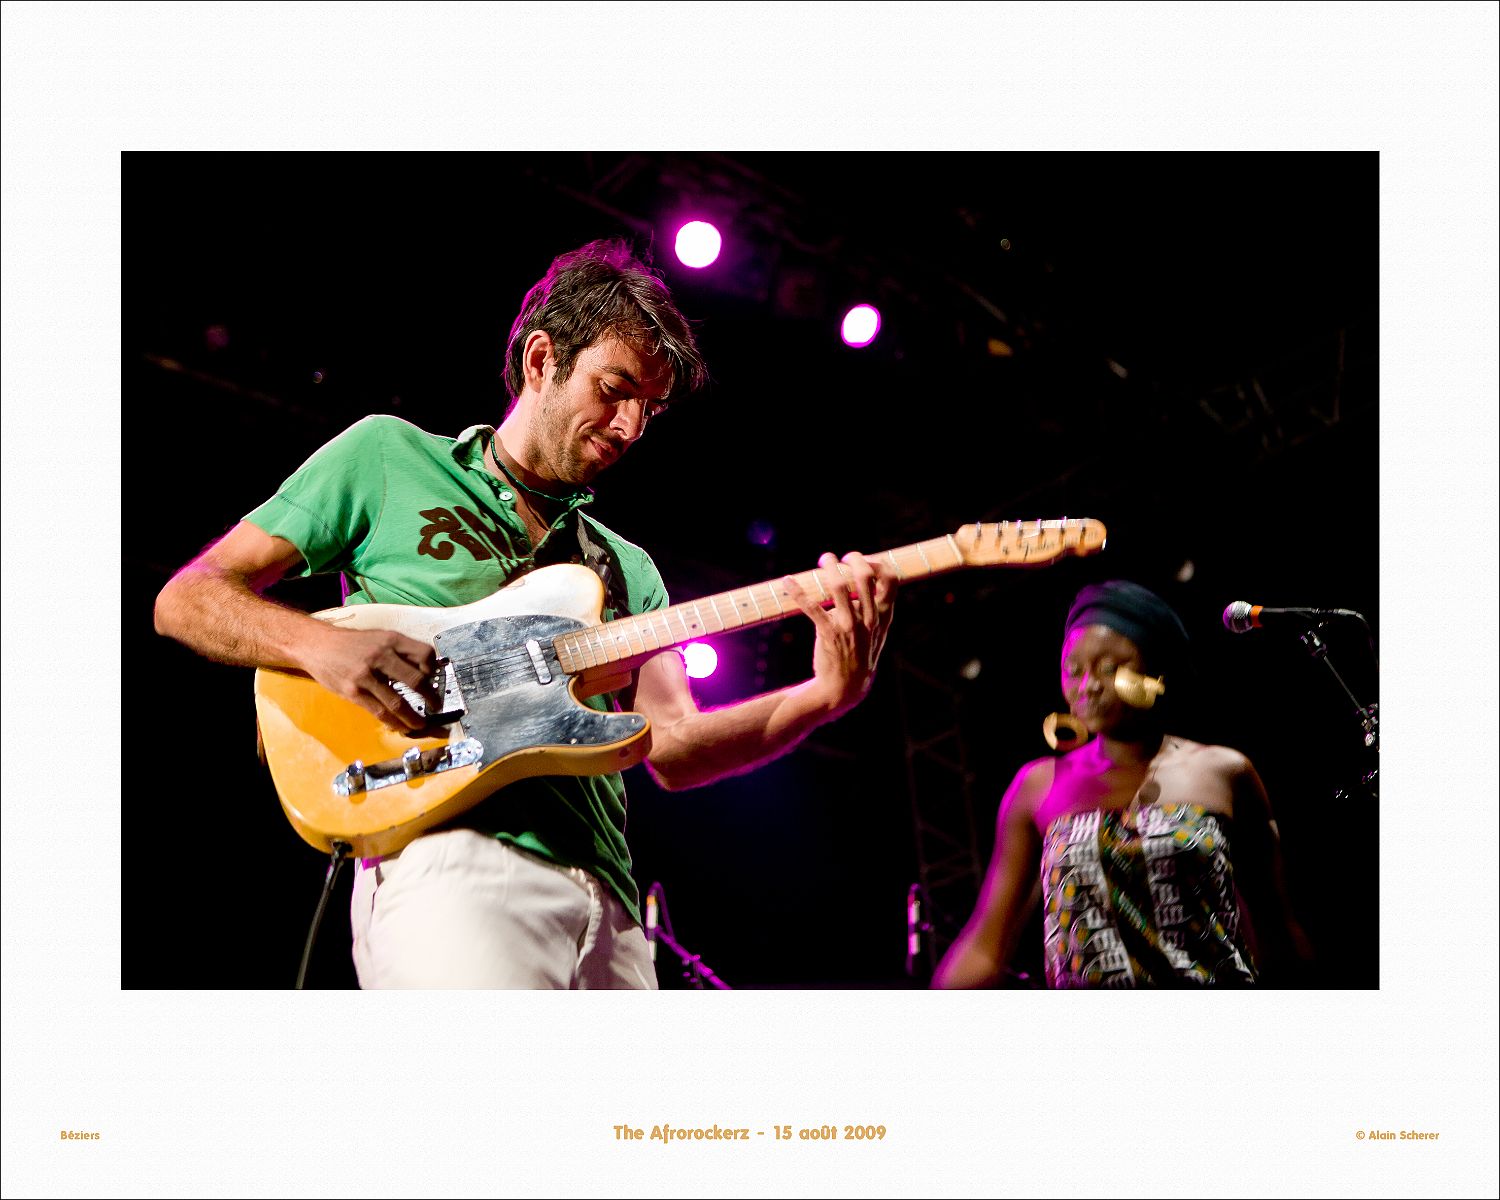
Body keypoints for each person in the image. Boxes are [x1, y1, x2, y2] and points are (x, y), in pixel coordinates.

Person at [154, 238, 897, 989]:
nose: (630, 427)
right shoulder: (388, 456)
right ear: (542, 360)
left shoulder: (628, 567)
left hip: (613, 908)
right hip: (453, 859)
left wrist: (825, 697)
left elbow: (672, 745)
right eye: (615, 389)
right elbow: (188, 597)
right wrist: (324, 646)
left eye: (649, 408)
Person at [933, 580, 1311, 989]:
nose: (1088, 684)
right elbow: (986, 945)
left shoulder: (1224, 772)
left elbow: (1275, 930)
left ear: (1156, 669)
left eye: (1109, 668)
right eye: (1073, 670)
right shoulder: (1038, 786)